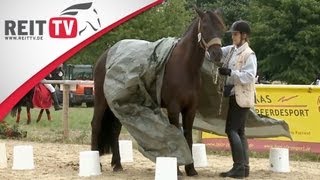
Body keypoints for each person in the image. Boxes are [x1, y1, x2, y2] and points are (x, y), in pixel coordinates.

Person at [218, 20, 257, 178]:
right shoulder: (232, 50)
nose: (233, 37)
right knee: (240, 132)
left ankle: (238, 167)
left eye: (235, 34)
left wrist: (230, 73)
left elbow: (249, 76)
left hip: (242, 97)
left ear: (244, 36)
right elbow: (216, 52)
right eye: (233, 34)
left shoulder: (249, 54)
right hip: (234, 95)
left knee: (231, 130)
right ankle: (244, 167)